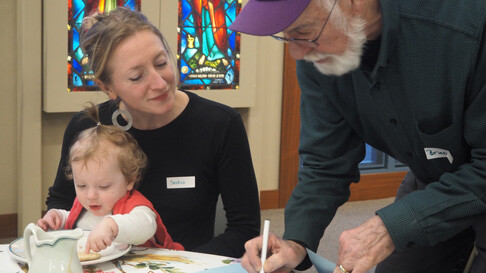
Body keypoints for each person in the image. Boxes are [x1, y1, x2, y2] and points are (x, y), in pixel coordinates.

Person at [229, 0, 486, 272]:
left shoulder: (467, 28)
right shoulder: (317, 58)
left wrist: (390, 228)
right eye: (286, 36)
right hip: (436, 176)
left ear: (355, 3)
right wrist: (296, 241)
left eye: (303, 32)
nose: (296, 52)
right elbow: (326, 162)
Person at [46, 7, 260, 258]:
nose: (160, 83)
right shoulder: (86, 128)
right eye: (137, 77)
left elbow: (243, 230)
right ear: (108, 87)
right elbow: (61, 202)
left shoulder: (220, 125)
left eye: (162, 63)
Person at [38, 105, 184, 252]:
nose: (91, 195)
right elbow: (75, 219)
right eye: (81, 185)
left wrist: (111, 226)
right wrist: (58, 218)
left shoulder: (135, 207)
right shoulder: (83, 206)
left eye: (103, 186)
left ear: (129, 180)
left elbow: (146, 225)